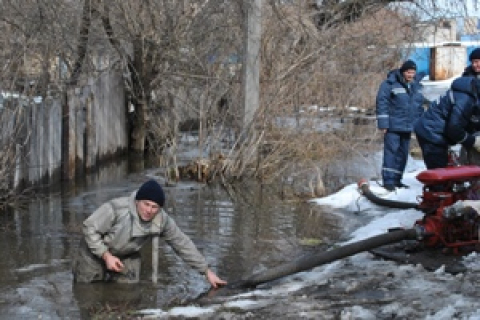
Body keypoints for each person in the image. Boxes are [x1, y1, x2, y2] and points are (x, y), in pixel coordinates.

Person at [72, 179, 227, 288]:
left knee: (127, 293)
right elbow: (89, 227)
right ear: (137, 201)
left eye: (154, 207)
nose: (149, 210)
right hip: (95, 251)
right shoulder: (116, 208)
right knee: (89, 292)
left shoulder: (162, 220)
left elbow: (182, 244)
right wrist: (106, 256)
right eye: (146, 204)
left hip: (127, 254)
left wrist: (206, 272)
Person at [376, 59, 425, 191]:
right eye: (408, 72)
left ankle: (397, 180)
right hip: (393, 126)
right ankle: (388, 181)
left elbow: (419, 107)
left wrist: (420, 125)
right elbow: (382, 104)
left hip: (408, 126)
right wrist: (383, 124)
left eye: (413, 72)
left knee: (403, 154)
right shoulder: (389, 84)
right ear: (403, 72)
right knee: (391, 152)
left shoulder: (416, 87)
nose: (411, 75)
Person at [414, 76, 480, 170]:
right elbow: (454, 128)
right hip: (431, 133)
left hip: (436, 130)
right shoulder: (465, 100)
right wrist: (473, 141)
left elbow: (468, 119)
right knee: (439, 172)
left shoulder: (472, 95)